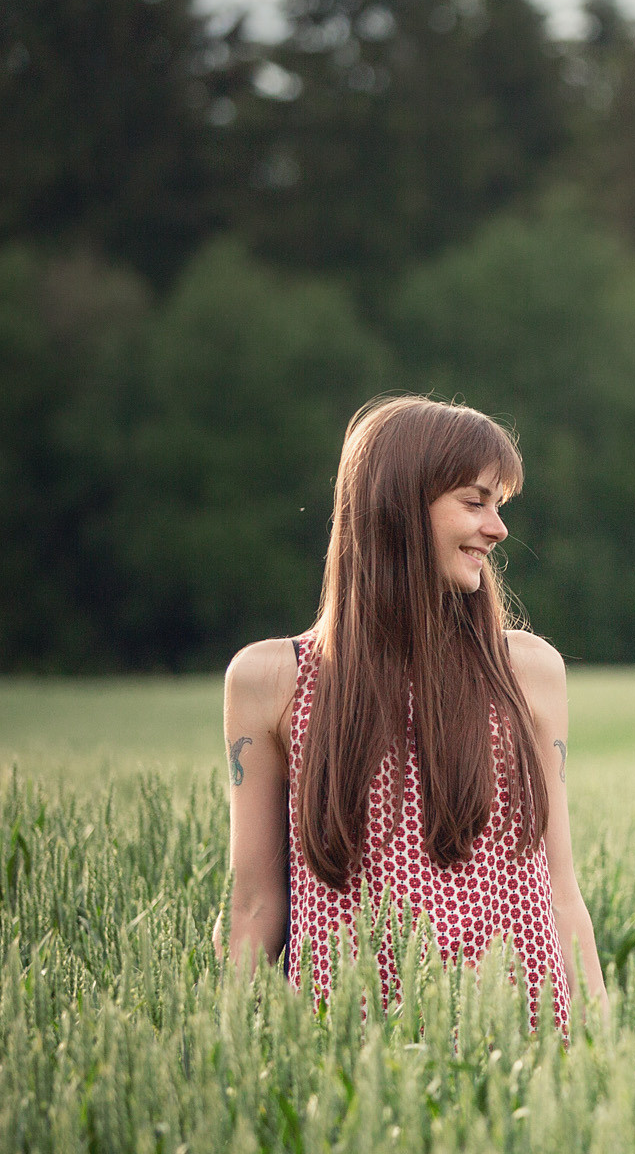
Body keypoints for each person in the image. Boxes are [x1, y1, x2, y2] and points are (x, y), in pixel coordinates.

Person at [223, 395, 606, 1028]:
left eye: (498, 505)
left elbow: (560, 891)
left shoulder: (527, 673)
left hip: (521, 1043)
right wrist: (228, 1061)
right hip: (347, 1048)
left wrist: (605, 1048)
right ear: (398, 508)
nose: (498, 528)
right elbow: (257, 907)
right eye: (474, 502)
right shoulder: (271, 681)